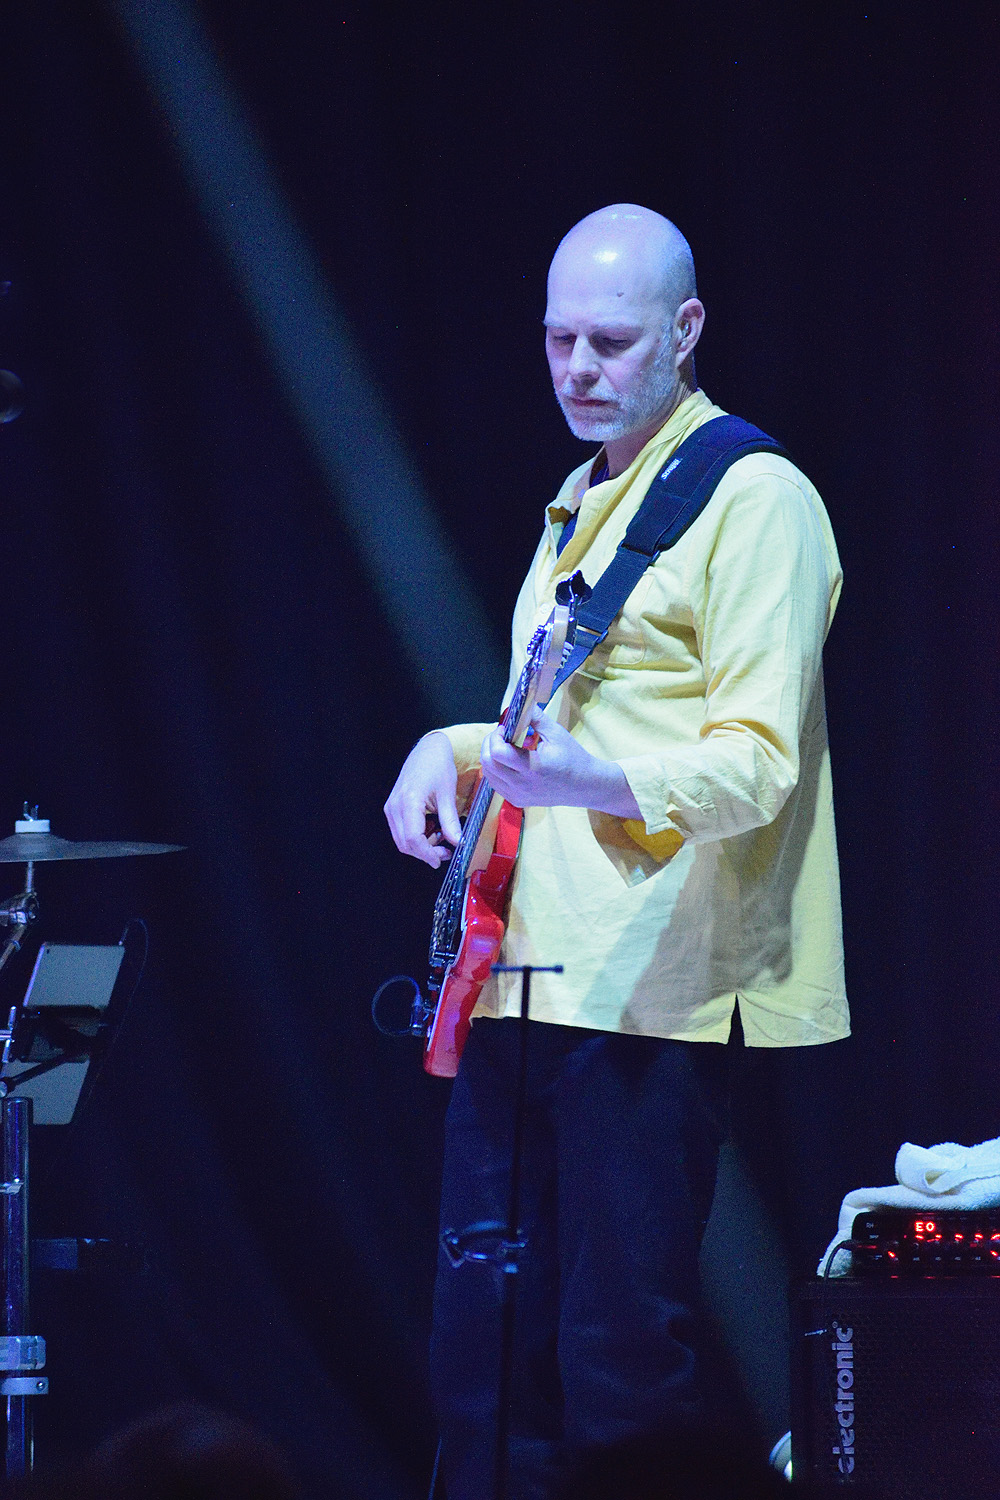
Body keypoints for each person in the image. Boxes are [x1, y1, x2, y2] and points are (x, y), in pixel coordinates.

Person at [384, 204, 849, 1500]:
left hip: (649, 991)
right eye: (559, 340)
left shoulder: (755, 499)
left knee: (617, 1354)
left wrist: (589, 781)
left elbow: (759, 759)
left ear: (686, 330)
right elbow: (561, 720)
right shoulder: (580, 500)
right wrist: (453, 747)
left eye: (611, 341)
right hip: (522, 973)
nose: (578, 369)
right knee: (483, 1352)